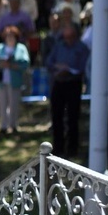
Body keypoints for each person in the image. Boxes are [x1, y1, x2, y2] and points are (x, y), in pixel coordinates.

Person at [45, 22, 89, 157]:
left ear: (75, 35)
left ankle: (72, 148)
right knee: (57, 116)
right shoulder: (59, 46)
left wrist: (69, 70)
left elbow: (84, 67)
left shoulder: (82, 48)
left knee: (73, 117)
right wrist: (57, 68)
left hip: (73, 84)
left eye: (71, 36)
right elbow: (48, 62)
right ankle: (58, 147)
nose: (68, 39)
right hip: (58, 83)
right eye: (66, 36)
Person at [0, 26, 30, 135]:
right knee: (2, 104)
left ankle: (13, 125)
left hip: (15, 80)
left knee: (14, 104)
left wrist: (13, 65)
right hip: (2, 81)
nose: (10, 38)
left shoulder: (21, 48)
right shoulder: (0, 47)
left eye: (12, 36)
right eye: (8, 36)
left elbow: (25, 62)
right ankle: (3, 126)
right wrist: (0, 63)